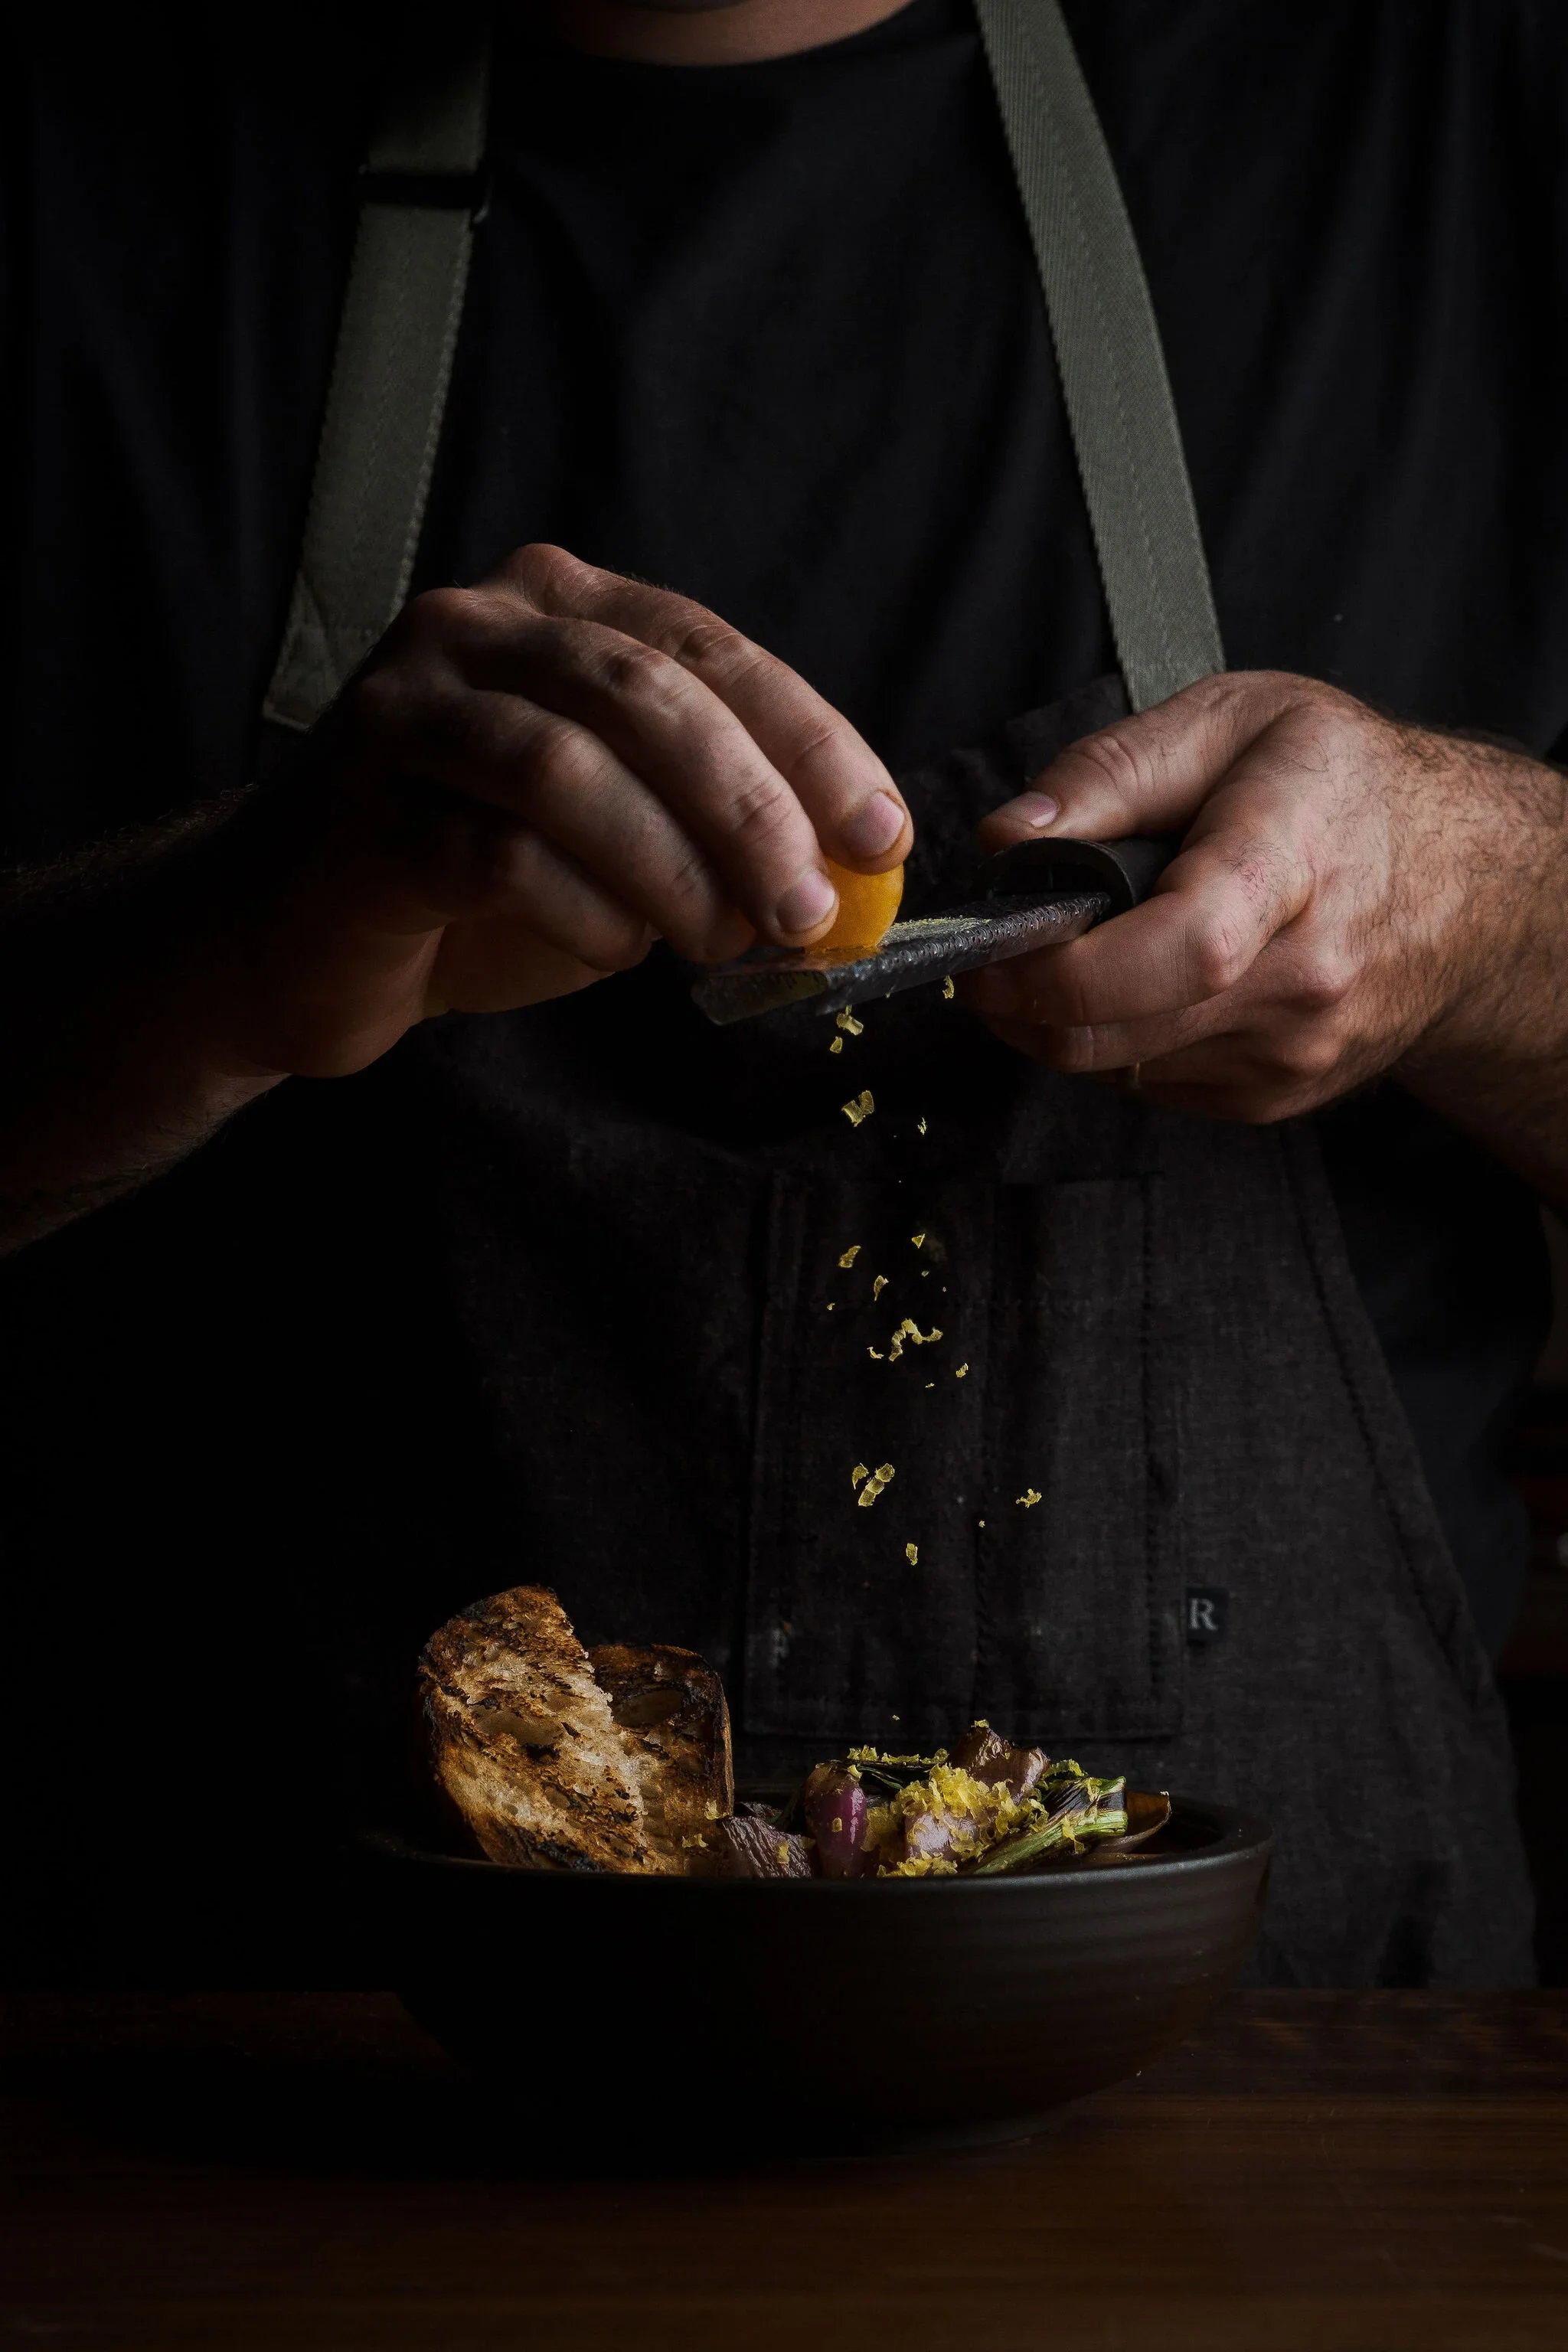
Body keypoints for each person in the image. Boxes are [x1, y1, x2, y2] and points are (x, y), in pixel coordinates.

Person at [2, 0, 1565, 1982]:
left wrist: (1489, 906)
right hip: (256, 2144)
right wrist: (229, 942)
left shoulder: (1457, 105)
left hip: (1287, 2151)